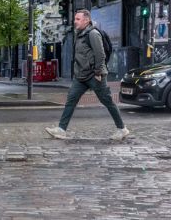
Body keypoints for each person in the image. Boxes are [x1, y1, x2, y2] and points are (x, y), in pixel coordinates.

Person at [45, 9, 129, 141]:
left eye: (78, 19)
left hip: (94, 75)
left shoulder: (93, 34)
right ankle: (61, 129)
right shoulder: (79, 34)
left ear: (86, 20)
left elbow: (100, 54)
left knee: (107, 101)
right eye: (75, 19)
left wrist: (98, 72)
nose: (75, 22)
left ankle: (122, 129)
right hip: (81, 76)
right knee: (71, 100)